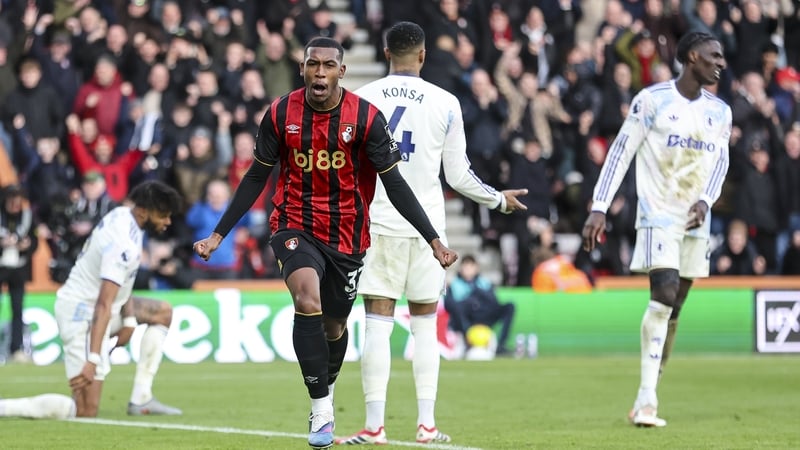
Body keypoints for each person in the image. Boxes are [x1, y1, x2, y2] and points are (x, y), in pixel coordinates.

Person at [192, 37, 457, 450]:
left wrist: (434, 239)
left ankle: (327, 389)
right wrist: (218, 234)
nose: (319, 72)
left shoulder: (365, 118)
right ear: (302, 69)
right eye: (312, 64)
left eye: (328, 65)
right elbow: (257, 177)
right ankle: (320, 408)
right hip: (294, 224)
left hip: (347, 235)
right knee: (307, 299)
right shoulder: (280, 113)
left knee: (334, 326)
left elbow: (395, 185)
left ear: (341, 72)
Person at [335, 21, 526, 446]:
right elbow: (458, 176)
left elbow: (348, 170)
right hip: (429, 231)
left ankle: (375, 427)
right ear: (422, 55)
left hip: (378, 225)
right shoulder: (446, 102)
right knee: (425, 325)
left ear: (386, 52)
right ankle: (426, 425)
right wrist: (498, 199)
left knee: (377, 324)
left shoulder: (362, 99)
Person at [581, 31, 731, 428]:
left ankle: (649, 389)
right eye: (715, 55)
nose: (721, 63)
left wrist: (706, 200)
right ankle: (647, 398)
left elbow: (720, 163)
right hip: (658, 213)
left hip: (696, 219)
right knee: (663, 295)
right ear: (693, 56)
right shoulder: (651, 101)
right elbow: (620, 152)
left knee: (675, 307)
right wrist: (599, 207)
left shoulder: (720, 112)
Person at [54, 180, 183, 418]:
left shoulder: (123, 215)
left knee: (162, 312)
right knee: (85, 411)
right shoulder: (123, 245)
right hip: (82, 315)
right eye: (163, 215)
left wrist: (129, 321)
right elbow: (103, 303)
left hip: (101, 310)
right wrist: (93, 358)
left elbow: (122, 282)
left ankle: (141, 399)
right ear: (143, 211)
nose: (167, 221)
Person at [443, 255, 517, 355]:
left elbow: (494, 302)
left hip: (484, 316)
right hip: (467, 318)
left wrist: (478, 291)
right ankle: (467, 342)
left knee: (509, 307)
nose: (468, 270)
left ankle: (500, 345)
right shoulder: (454, 285)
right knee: (458, 309)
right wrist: (469, 300)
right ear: (461, 269)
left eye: (471, 267)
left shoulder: (484, 283)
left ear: (476, 268)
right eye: (466, 267)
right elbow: (449, 305)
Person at [0, 185, 38, 364]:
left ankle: (16, 348)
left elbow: (35, 241)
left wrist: (27, 246)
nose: (15, 205)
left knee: (17, 309)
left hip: (19, 268)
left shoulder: (27, 217)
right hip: (1, 266)